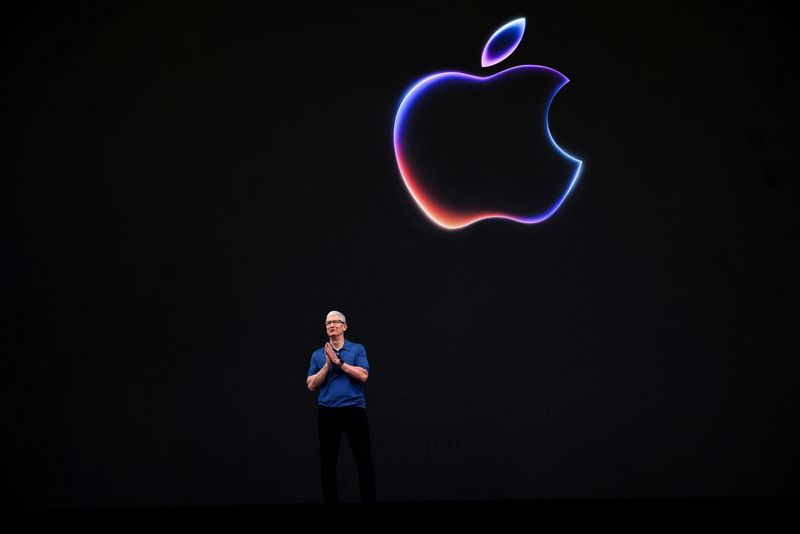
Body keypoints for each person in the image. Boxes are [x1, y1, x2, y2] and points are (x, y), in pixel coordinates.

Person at [306, 310, 376, 503]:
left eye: (336, 322)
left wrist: (340, 362)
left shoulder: (357, 349)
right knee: (328, 463)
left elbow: (363, 375)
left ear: (344, 326)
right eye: (328, 323)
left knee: (363, 459)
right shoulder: (318, 355)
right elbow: (311, 385)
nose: (331, 325)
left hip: (354, 409)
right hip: (327, 412)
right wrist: (328, 365)